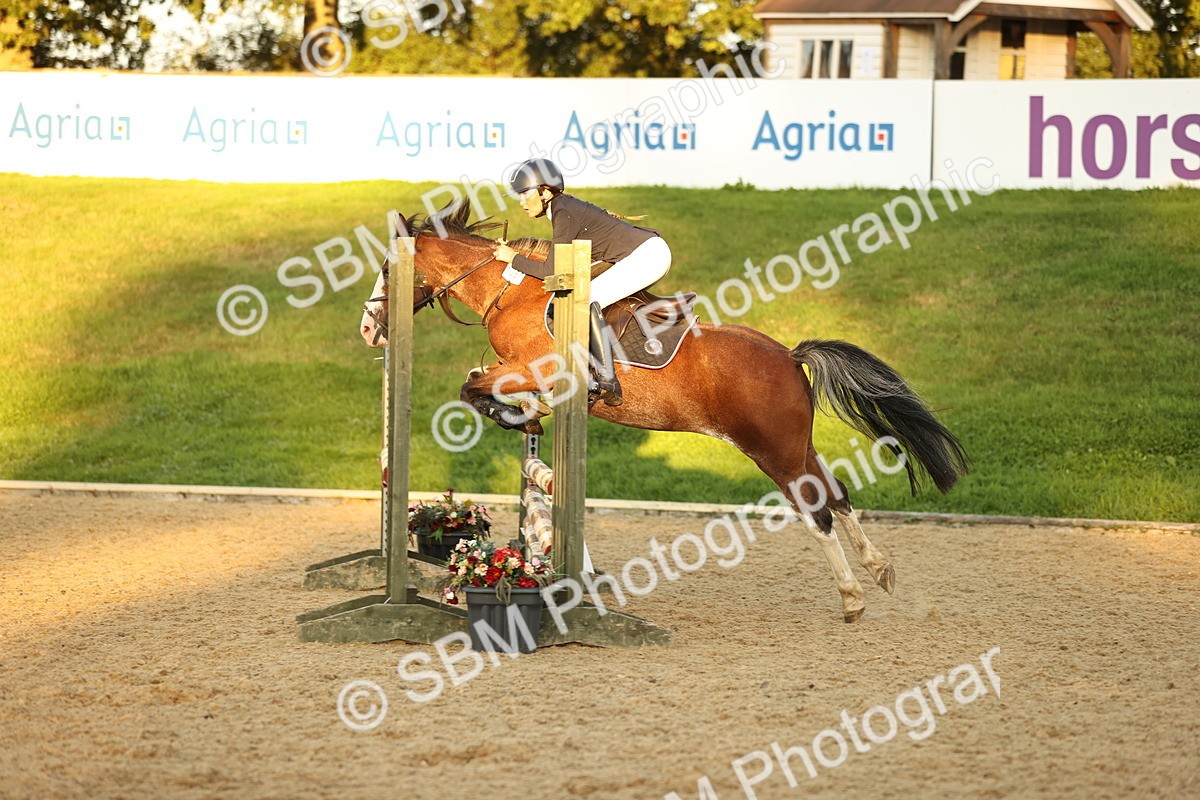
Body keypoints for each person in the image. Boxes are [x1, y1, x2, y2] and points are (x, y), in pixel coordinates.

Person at [492, 158, 672, 406]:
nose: (522, 202)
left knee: (585, 300)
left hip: (648, 257)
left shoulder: (563, 212)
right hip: (641, 254)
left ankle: (607, 379)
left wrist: (513, 258)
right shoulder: (563, 208)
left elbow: (550, 270)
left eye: (525, 193)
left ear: (545, 191)